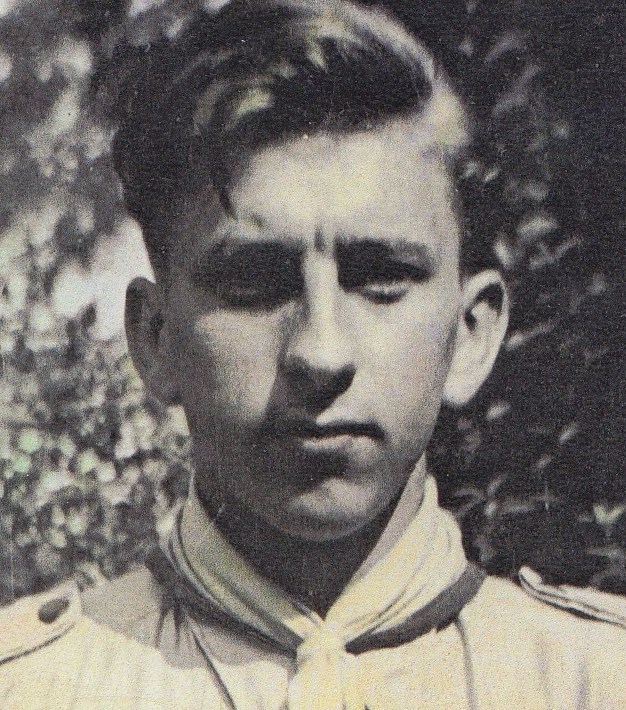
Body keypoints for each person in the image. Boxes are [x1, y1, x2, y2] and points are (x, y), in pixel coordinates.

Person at [1, 1, 625, 707]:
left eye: (381, 278)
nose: (320, 353)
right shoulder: (31, 688)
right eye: (252, 283)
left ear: (471, 333)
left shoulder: (596, 680)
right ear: (156, 338)